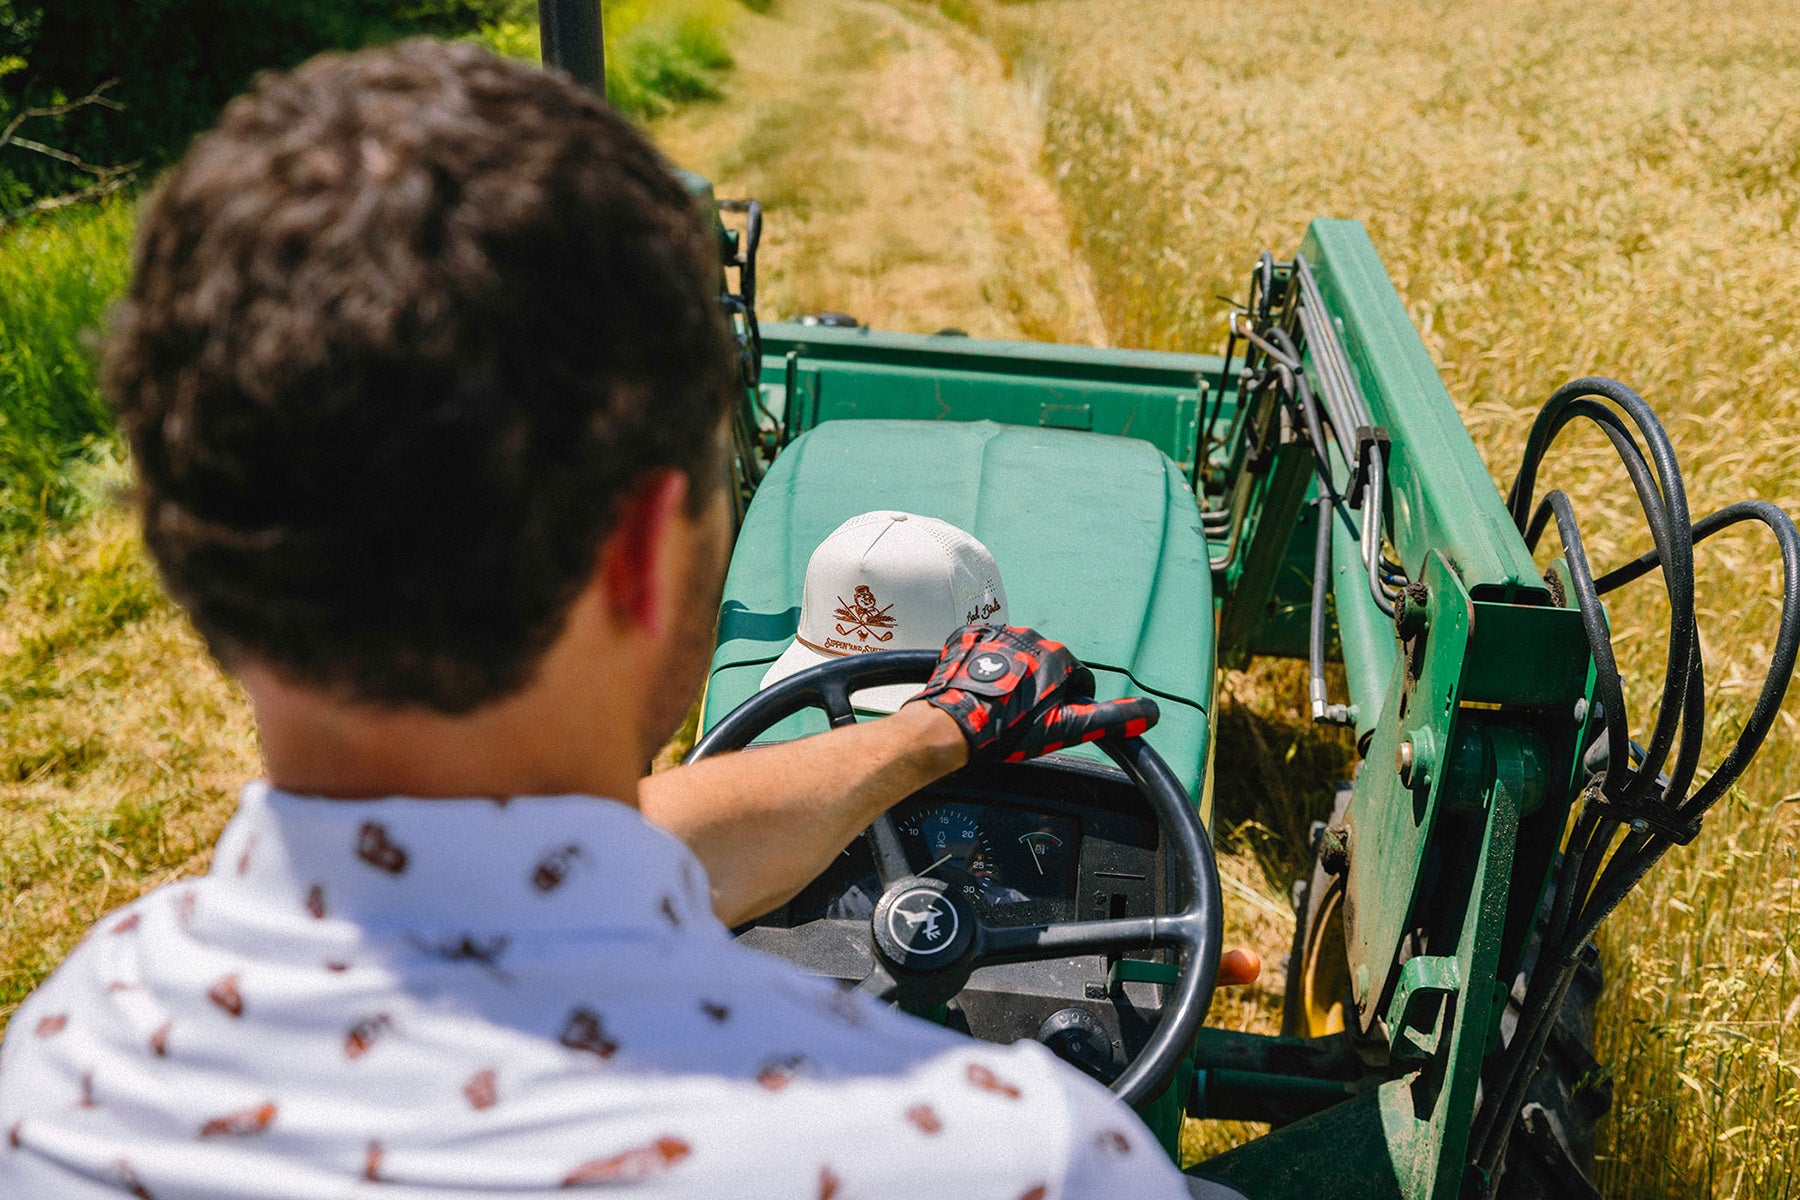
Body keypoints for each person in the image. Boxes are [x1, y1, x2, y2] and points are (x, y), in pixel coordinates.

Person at [0, 40, 1243, 1200]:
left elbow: (538, 859)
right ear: (645, 554)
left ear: (189, 557)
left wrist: (925, 739)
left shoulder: (61, 1073)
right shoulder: (1013, 1157)